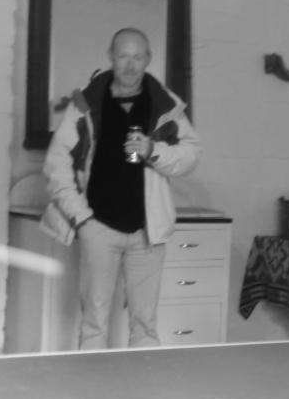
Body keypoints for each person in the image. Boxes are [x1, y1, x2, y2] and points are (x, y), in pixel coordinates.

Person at [41, 27, 201, 350]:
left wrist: (153, 151)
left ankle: (142, 382)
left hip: (147, 231)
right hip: (98, 226)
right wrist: (81, 217)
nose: (130, 65)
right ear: (111, 57)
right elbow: (56, 164)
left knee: (145, 327)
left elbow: (191, 155)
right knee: (93, 325)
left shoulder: (164, 103)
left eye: (137, 57)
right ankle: (93, 383)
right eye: (124, 56)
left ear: (149, 59)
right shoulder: (86, 103)